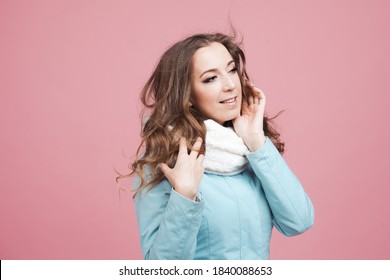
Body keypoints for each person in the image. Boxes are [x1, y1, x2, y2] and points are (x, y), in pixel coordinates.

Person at [128, 31, 314, 260]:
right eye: (210, 78)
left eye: (232, 70)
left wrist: (257, 141)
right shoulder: (164, 160)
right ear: (187, 95)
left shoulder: (248, 152)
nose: (230, 85)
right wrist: (184, 196)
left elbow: (299, 221)